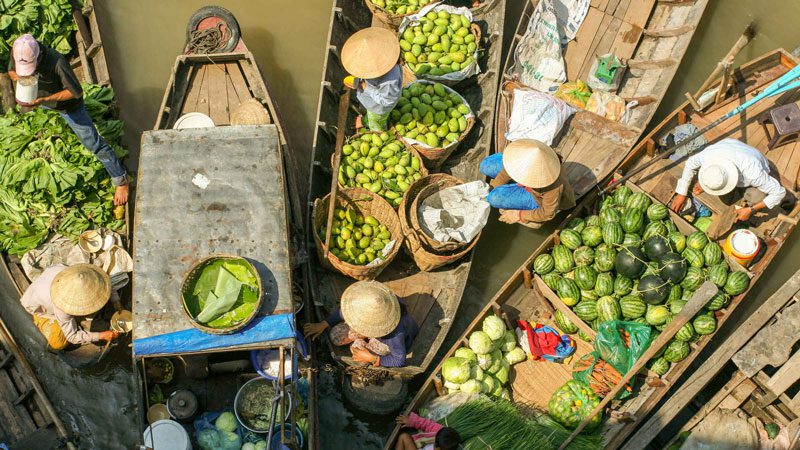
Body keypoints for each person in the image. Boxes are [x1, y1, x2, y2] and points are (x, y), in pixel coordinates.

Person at [7, 34, 129, 205]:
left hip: (68, 107)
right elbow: (11, 71)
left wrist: (44, 100)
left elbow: (75, 92)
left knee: (93, 143)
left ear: (38, 56)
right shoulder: (20, 51)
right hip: (38, 100)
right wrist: (21, 78)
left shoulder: (56, 62)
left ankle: (121, 180)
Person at [303, 281, 419, 367]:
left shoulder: (394, 334)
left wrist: (373, 359)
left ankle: (369, 347)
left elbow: (399, 359)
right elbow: (343, 312)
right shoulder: (369, 300)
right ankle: (365, 341)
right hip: (376, 326)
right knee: (335, 336)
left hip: (387, 340)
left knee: (359, 355)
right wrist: (324, 323)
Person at [669, 138, 787, 222]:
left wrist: (751, 210)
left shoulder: (753, 173)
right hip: (730, 147)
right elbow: (690, 164)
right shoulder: (707, 156)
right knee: (726, 198)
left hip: (755, 161)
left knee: (756, 197)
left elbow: (779, 192)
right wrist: (681, 193)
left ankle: (745, 202)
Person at [480, 139, 576, 228]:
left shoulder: (552, 186)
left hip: (537, 198)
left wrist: (518, 215)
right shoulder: (528, 153)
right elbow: (509, 169)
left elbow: (547, 213)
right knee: (486, 165)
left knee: (494, 198)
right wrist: (494, 186)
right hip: (529, 184)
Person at [21, 263, 118, 351]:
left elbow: (106, 283)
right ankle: (43, 320)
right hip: (39, 306)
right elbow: (72, 337)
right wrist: (102, 335)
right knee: (58, 343)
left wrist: (117, 303)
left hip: (46, 285)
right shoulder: (61, 305)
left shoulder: (79, 273)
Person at [341, 27, 402, 131]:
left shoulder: (389, 81)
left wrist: (364, 87)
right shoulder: (389, 63)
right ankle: (365, 120)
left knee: (376, 123)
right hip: (371, 102)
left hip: (379, 109)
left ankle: (380, 131)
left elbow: (387, 101)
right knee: (371, 114)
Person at [394, 413, 460, 450]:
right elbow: (427, 424)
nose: (435, 447)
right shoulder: (439, 431)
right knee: (404, 436)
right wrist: (411, 421)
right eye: (436, 445)